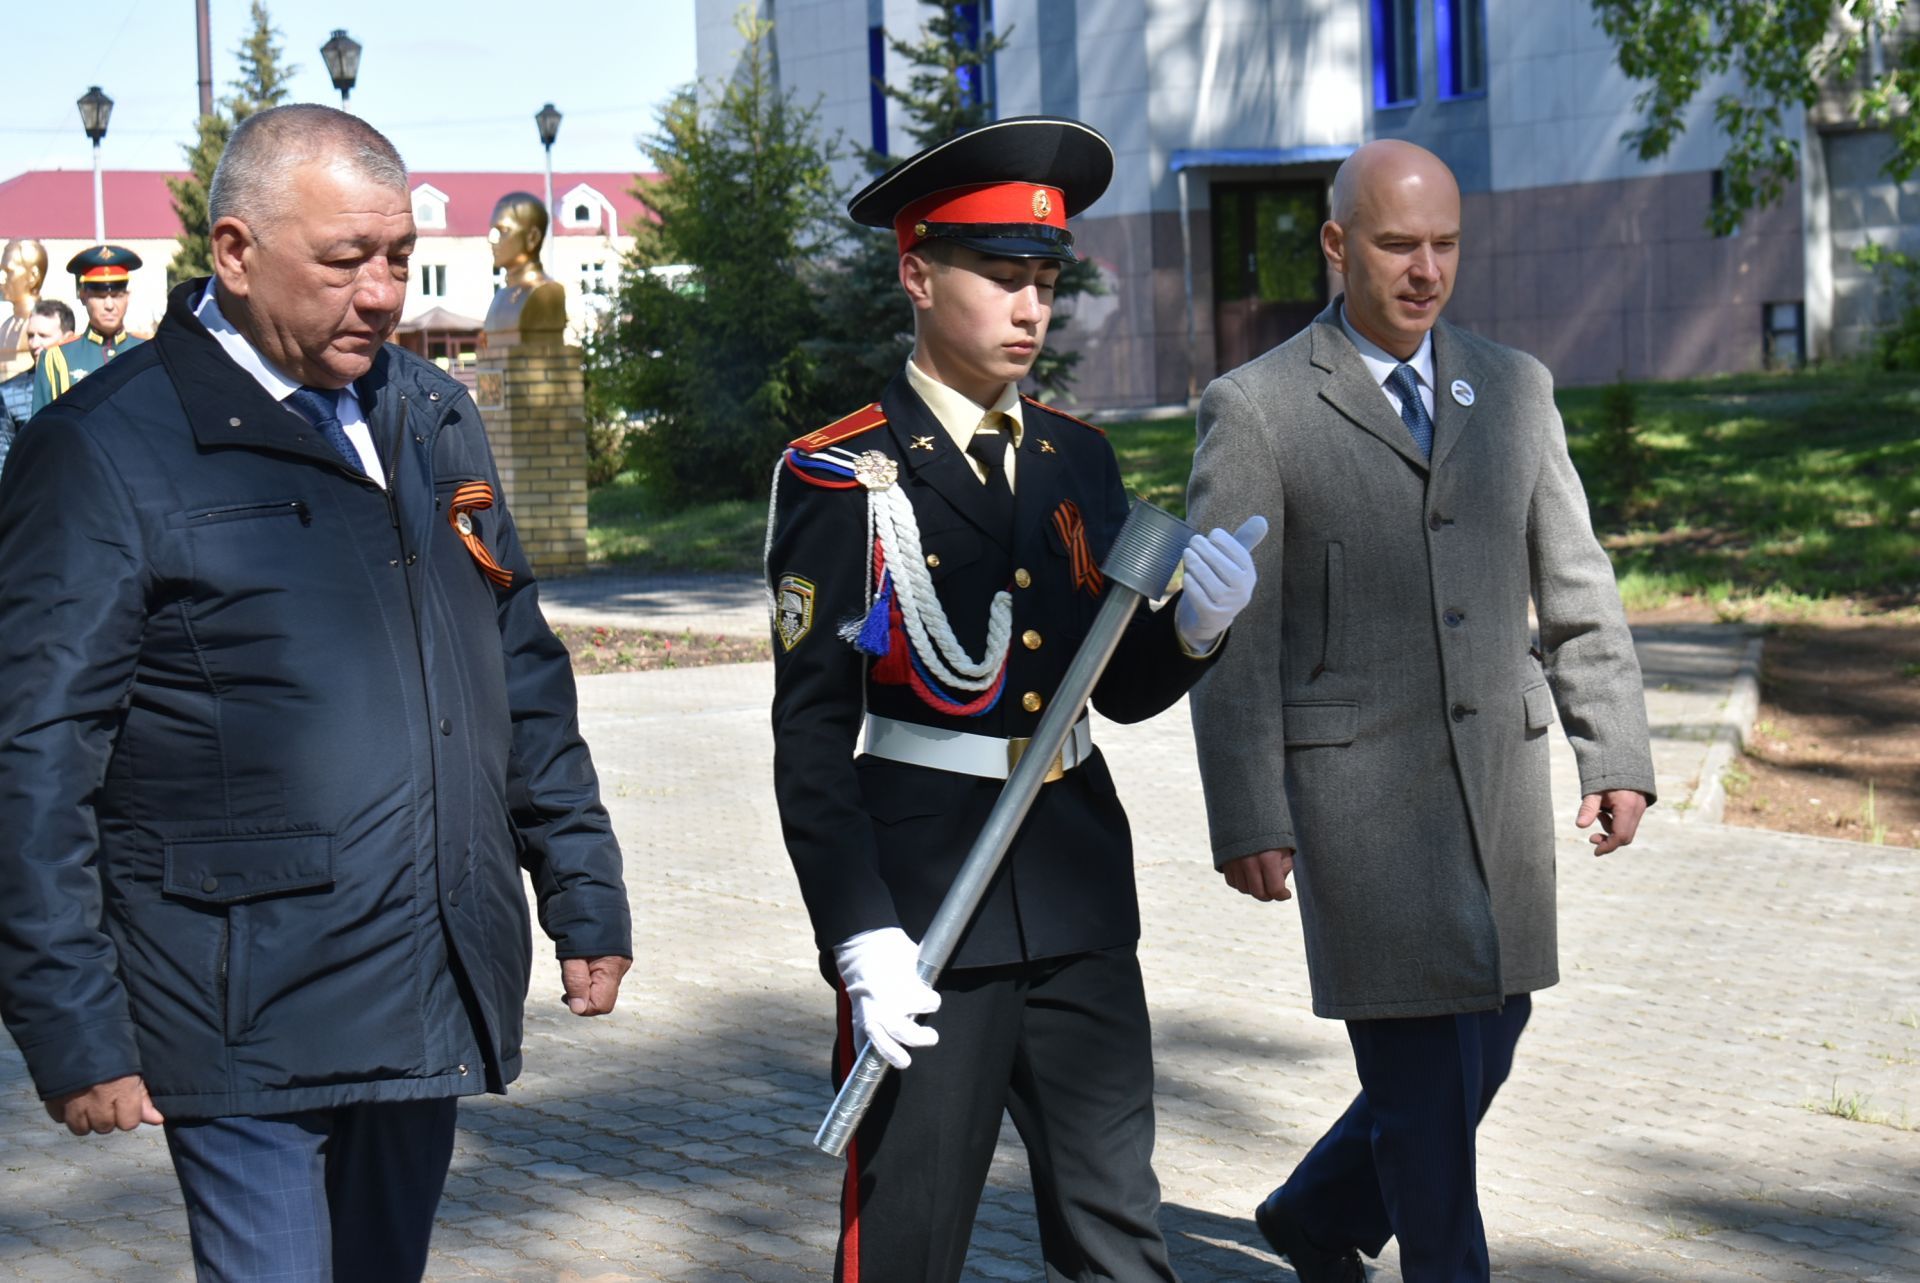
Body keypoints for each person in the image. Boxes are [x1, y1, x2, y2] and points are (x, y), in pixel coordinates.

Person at [0, 103, 632, 1283]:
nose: (386, 293)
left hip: (426, 970)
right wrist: (71, 1020)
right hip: (240, 999)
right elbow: (33, 755)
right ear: (235, 253)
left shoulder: (430, 414)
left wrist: (580, 879)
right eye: (347, 261)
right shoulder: (107, 447)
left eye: (396, 256)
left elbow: (519, 660)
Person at [765, 115, 1263, 1283]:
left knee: (1118, 1231)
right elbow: (810, 739)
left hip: (1077, 891)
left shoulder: (1074, 457)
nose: (1032, 307)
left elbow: (1109, 689)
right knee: (912, 1238)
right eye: (1002, 275)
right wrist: (857, 930)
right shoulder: (841, 473)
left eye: (1045, 279)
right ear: (917, 269)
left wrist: (1195, 628)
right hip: (929, 909)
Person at [1185, 139, 1657, 1283]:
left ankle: (1313, 1209)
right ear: (1338, 244)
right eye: (1398, 244)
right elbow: (1232, 633)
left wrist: (1617, 747)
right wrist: (1248, 808)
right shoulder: (1253, 410)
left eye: (1445, 243)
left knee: (1490, 1032)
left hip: (1498, 788)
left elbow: (1578, 581)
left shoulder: (1515, 387)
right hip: (1361, 808)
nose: (1426, 269)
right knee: (1426, 1098)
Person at [29, 243, 147, 413]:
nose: (109, 305)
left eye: (116, 295)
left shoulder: (148, 350)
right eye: (99, 296)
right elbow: (41, 432)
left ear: (127, 297)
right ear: (83, 296)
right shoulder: (56, 359)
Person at [0, 299, 75, 477]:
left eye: (43, 336)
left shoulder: (86, 381)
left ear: (68, 338)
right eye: (31, 336)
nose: (34, 344)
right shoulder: (8, 393)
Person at [482, 191, 566, 338]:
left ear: (532, 237)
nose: (492, 239)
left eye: (503, 230)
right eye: (492, 230)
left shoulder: (545, 293)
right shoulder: (501, 295)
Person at [0, 237, 50, 374]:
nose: (1, 279)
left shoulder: (44, 324)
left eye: (9, 271)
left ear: (32, 276)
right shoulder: (6, 325)